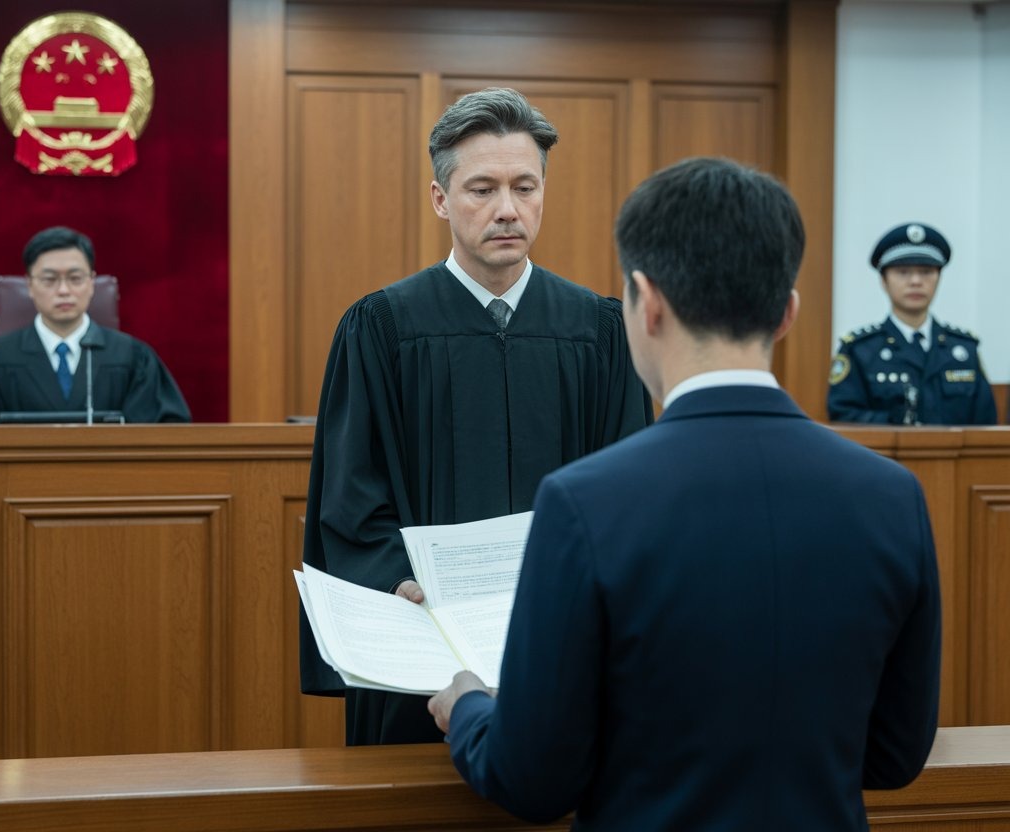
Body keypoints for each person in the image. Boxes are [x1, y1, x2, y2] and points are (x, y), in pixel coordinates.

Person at [428, 158, 941, 830]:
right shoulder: (893, 497)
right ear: (787, 313)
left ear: (647, 302)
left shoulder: (586, 503)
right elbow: (895, 755)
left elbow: (534, 779)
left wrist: (468, 706)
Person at [301, 87, 653, 745]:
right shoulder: (382, 328)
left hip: (563, 641)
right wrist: (400, 584)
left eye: (525, 187)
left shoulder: (600, 332)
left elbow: (627, 493)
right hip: (422, 654)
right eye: (482, 189)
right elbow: (350, 499)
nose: (507, 209)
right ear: (441, 199)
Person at [0, 226, 191, 424]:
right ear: (29, 285)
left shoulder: (133, 357)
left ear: (91, 283)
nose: (63, 290)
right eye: (49, 279)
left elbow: (162, 434)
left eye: (75, 278)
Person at [828, 222, 996, 425]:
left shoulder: (964, 350)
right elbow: (843, 417)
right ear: (883, 281)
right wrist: (899, 425)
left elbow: (986, 425)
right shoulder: (860, 350)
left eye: (926, 272)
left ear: (938, 278)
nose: (916, 281)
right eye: (903, 272)